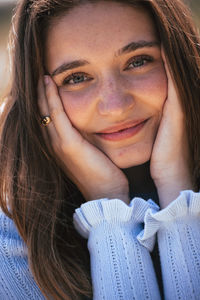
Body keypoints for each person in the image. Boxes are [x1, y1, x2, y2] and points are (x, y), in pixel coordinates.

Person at [0, 0, 200, 299]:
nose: (116, 107)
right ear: (40, 99)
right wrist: (109, 208)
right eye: (76, 78)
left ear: (178, 58)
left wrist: (177, 186)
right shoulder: (11, 234)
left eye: (138, 61)